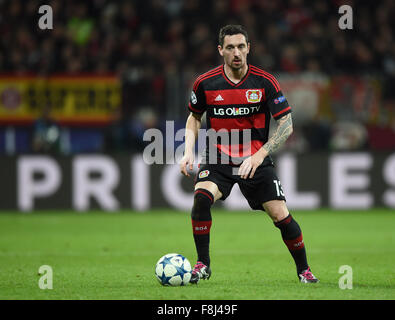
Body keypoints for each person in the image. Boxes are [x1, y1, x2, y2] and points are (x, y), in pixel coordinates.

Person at [180, 25, 319, 284]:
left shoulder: (264, 82)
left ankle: (304, 270)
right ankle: (203, 264)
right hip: (219, 157)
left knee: (280, 215)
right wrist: (188, 151)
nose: (237, 53)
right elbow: (194, 118)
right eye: (230, 47)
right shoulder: (205, 83)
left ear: (248, 49)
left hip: (255, 160)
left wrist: (259, 155)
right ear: (220, 50)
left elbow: (286, 124)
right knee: (201, 197)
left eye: (241, 46)